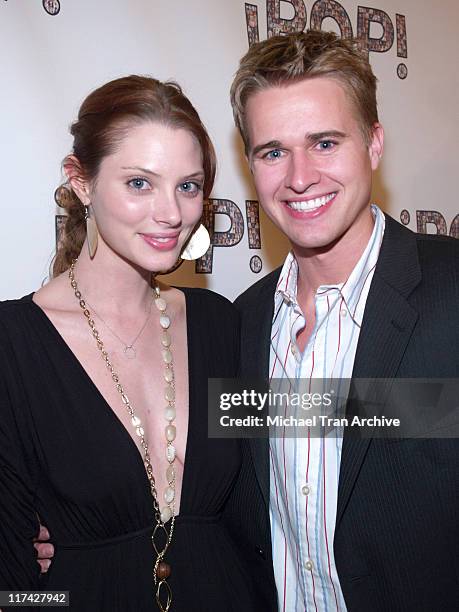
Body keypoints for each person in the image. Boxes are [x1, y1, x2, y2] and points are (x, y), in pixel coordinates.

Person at [0, 75, 277, 611]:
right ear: (81, 182)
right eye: (139, 184)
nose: (171, 214)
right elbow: (11, 583)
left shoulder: (220, 323)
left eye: (188, 186)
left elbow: (285, 474)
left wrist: (434, 407)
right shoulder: (13, 346)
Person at [228, 30, 459, 611]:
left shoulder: (452, 294)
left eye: (325, 143)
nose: (299, 176)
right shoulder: (242, 324)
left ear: (374, 145)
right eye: (273, 151)